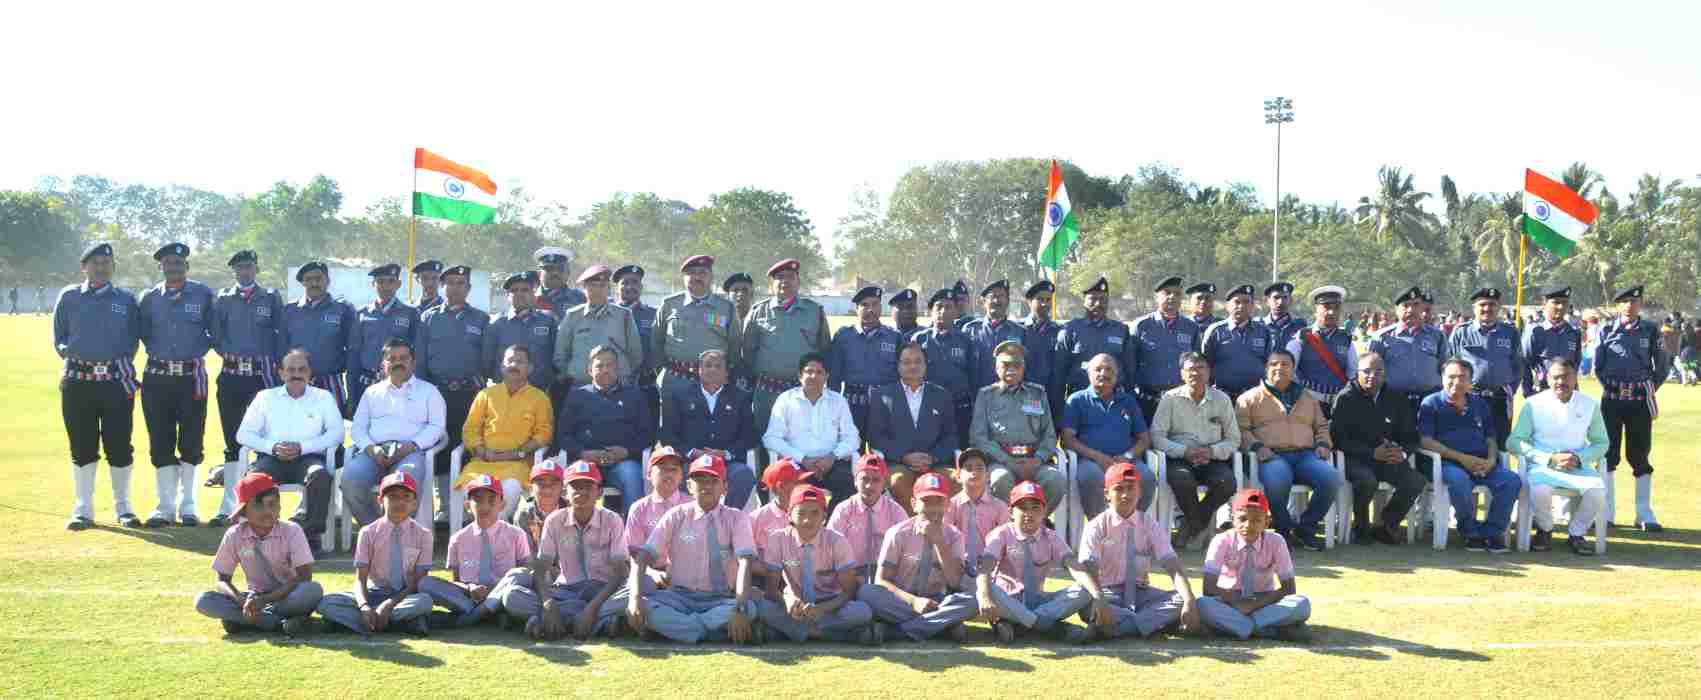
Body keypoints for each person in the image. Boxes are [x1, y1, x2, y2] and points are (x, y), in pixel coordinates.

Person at [628, 454, 760, 645]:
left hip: (721, 598)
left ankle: (678, 630)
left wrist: (739, 608)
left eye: (713, 481)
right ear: (689, 486)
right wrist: (635, 599)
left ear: (725, 487)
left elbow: (745, 562)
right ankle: (715, 633)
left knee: (749, 608)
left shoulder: (737, 518)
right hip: (678, 597)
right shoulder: (676, 515)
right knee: (645, 606)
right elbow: (643, 557)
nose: (707, 486)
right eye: (700, 480)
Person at [55, 242, 143, 530]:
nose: (101, 268)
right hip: (78, 382)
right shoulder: (69, 297)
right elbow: (59, 338)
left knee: (119, 445)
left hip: (115, 383)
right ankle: (83, 509)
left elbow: (133, 339)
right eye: (95, 263)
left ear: (113, 266)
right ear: (84, 267)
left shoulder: (126, 300)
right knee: (82, 445)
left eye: (106, 263)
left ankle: (124, 507)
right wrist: (77, 354)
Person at [1073, 463, 1201, 640]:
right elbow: (1089, 567)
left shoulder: (1150, 524)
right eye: (1119, 489)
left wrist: (1189, 600)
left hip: (1142, 594)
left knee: (1183, 600)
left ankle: (1117, 629)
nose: (1126, 495)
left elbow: (1173, 566)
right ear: (1107, 494)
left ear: (1139, 492)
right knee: (1085, 604)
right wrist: (1099, 599)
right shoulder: (1096, 526)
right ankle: (1151, 625)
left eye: (1131, 488)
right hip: (1107, 593)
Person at [138, 242, 216, 528]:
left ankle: (189, 504)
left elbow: (214, 331)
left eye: (179, 263)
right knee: (160, 438)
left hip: (191, 376)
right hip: (157, 376)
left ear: (187, 266)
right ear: (161, 266)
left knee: (192, 439)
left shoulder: (203, 294)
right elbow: (142, 333)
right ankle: (165, 505)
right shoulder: (148, 298)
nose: (173, 267)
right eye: (168, 263)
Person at [234, 348, 343, 552]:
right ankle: (259, 534)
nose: (296, 374)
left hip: (308, 458)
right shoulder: (265, 397)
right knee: (254, 481)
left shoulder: (323, 397)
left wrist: (302, 447)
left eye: (302, 369)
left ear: (309, 372)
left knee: (320, 476)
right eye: (291, 369)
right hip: (271, 458)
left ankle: (310, 538)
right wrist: (273, 447)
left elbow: (336, 433)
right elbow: (244, 434)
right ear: (281, 373)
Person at [507, 461, 628, 640]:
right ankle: (602, 622)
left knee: (641, 587)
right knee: (512, 596)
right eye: (575, 486)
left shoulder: (613, 520)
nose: (582, 492)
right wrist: (548, 604)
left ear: (599, 492)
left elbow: (620, 573)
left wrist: (591, 609)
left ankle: (553, 620)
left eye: (588, 486)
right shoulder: (555, 520)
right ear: (565, 492)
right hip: (565, 590)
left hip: (603, 590)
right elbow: (540, 568)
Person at [193, 472, 323, 637]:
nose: (267, 511)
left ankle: (247, 621)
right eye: (258, 506)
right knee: (203, 600)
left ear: (280, 507)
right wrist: (242, 601)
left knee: (312, 590)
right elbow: (222, 581)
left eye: (272, 504)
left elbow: (304, 577)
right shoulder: (234, 535)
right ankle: (278, 623)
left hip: (288, 596)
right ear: (244, 511)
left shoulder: (292, 531)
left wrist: (265, 600)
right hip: (253, 597)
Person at [1235, 350, 1338, 552]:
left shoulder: (1307, 398)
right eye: (1274, 364)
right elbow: (1240, 430)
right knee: (1278, 478)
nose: (1279, 368)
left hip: (1306, 455)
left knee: (1331, 478)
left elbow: (1322, 427)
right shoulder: (1249, 398)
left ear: (1293, 369)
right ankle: (1283, 529)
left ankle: (1306, 529)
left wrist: (1323, 444)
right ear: (1266, 368)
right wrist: (1257, 447)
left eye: (1285, 364)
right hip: (1271, 456)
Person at [857, 472, 976, 643]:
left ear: (947, 505)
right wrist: (914, 602)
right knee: (866, 592)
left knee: (973, 600)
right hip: (902, 600)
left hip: (937, 601)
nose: (933, 507)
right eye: (926, 501)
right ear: (914, 504)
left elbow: (954, 581)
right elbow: (882, 580)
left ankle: (896, 631)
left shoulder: (954, 536)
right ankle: (942, 626)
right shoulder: (898, 533)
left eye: (939, 501)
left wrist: (939, 541)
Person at [340, 339, 447, 529]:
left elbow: (437, 426)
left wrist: (412, 445)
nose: (398, 362)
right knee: (350, 480)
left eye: (403, 358)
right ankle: (377, 530)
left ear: (413, 362)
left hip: (410, 452)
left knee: (405, 481)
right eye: (392, 358)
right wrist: (371, 448)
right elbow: (358, 428)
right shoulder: (371, 393)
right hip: (374, 452)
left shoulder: (429, 392)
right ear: (383, 364)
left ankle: (401, 534)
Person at [1507, 358, 1608, 555]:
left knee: (1597, 492)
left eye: (1566, 377)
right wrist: (1548, 458)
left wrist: (1579, 458)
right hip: (1543, 467)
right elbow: (1514, 441)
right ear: (1547, 379)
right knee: (1539, 491)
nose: (1561, 382)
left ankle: (1577, 533)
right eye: (1556, 377)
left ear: (1575, 377)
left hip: (1578, 466)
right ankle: (1545, 529)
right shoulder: (1533, 404)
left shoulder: (1589, 404)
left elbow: (1601, 442)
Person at [1419, 358, 1522, 553]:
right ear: (1442, 378)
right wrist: (1462, 459)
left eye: (1462, 378)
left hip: (1482, 463)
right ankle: (1470, 531)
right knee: (1459, 481)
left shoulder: (1480, 404)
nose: (1456, 382)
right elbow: (1426, 441)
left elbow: (1491, 438)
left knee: (1511, 481)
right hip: (1449, 464)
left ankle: (1492, 532)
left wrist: (1490, 460)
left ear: (1470, 381)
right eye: (1451, 377)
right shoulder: (1431, 403)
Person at [757, 484, 879, 644]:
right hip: (795, 605)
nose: (807, 520)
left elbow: (849, 591)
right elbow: (771, 589)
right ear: (789, 515)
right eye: (801, 513)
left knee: (862, 611)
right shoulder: (777, 539)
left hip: (830, 605)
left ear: (824, 517)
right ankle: (837, 635)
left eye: (815, 513)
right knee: (763, 607)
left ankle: (793, 632)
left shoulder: (837, 541)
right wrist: (788, 602)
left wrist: (823, 608)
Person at [317, 471, 435, 636]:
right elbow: (360, 579)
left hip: (405, 595)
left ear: (414, 503)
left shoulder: (424, 535)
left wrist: (389, 604)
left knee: (424, 601)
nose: (400, 502)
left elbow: (418, 582)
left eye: (406, 497)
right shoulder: (368, 532)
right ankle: (397, 622)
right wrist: (364, 606)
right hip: (373, 594)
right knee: (326, 602)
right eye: (393, 496)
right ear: (380, 500)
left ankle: (365, 622)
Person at [417, 265, 491, 523]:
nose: (455, 287)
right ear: (442, 286)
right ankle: (446, 507)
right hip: (437, 393)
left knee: (469, 448)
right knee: (440, 449)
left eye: (461, 283)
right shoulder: (428, 318)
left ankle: (469, 506)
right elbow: (421, 360)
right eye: (450, 282)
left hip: (470, 395)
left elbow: (487, 359)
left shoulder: (481, 319)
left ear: (468, 288)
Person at [974, 481, 1092, 644]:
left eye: (1035, 508)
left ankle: (1019, 624)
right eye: (1022, 508)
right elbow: (985, 566)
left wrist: (1098, 595)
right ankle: (1049, 627)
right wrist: (984, 596)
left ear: (1044, 511)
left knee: (1086, 588)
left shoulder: (1051, 536)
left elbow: (1073, 565)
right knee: (984, 586)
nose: (1029, 513)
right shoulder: (1000, 534)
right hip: (1008, 600)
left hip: (1039, 601)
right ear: (1011, 512)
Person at [1330, 351, 1426, 546]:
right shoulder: (1345, 398)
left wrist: (1402, 452)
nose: (1372, 376)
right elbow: (1338, 440)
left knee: (1415, 481)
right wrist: (1371, 452)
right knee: (1367, 480)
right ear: (1357, 373)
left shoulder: (1396, 398)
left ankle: (1386, 524)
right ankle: (1361, 527)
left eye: (1378, 372)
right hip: (1355, 458)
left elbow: (1410, 436)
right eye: (1366, 371)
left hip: (1388, 458)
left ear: (1385, 374)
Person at [209, 250, 284, 497]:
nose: (244, 271)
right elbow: (216, 335)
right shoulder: (223, 299)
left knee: (264, 436)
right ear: (234, 271)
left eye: (249, 266)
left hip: (262, 377)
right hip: (231, 375)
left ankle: (262, 495)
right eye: (239, 267)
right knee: (232, 438)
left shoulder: (270, 298)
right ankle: (231, 500)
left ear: (256, 269)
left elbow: (280, 334)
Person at [1593, 285, 1668, 531]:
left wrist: (1648, 387)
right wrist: (1613, 387)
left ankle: (1644, 513)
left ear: (1640, 304)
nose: (1629, 305)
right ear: (1618, 305)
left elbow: (1662, 364)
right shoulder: (1605, 330)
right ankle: (1606, 512)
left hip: (1639, 401)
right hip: (1612, 400)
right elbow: (1598, 366)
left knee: (1640, 454)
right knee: (1607, 454)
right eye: (1624, 301)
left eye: (1634, 301)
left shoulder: (1650, 330)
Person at [1196, 489, 1312, 641]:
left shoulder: (1276, 541)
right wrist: (1236, 602)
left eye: (1257, 520)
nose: (1249, 525)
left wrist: (1254, 605)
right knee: (1202, 604)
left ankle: (1238, 627)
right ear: (1233, 519)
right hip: (1229, 600)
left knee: (1302, 604)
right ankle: (1270, 630)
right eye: (1242, 518)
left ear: (1267, 522)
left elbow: (1289, 588)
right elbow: (1208, 588)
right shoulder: (1221, 540)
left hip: (1264, 600)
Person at [1152, 353, 1240, 551]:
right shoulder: (1170, 398)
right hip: (1180, 457)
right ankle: (1197, 525)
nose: (1195, 373)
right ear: (1182, 374)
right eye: (1190, 369)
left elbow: (1234, 439)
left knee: (1227, 483)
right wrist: (1184, 451)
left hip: (1212, 458)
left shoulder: (1222, 399)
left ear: (1209, 372)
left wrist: (1212, 451)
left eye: (1201, 368)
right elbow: (1157, 436)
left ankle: (1190, 525)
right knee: (1182, 479)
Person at [420, 474, 532, 627]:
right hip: (470, 597)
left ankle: (474, 616)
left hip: (501, 594)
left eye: (491, 500)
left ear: (502, 504)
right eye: (478, 500)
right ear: (467, 505)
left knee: (520, 574)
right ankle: (492, 615)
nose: (484, 506)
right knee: (425, 583)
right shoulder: (458, 539)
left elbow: (524, 574)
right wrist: (470, 588)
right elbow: (456, 580)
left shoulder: (516, 534)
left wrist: (497, 589)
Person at [457, 344, 554, 520]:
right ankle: (485, 532)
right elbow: (470, 429)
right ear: (502, 366)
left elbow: (544, 434)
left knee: (508, 490)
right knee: (471, 490)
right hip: (483, 462)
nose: (514, 365)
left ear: (530, 368)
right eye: (510, 361)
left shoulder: (539, 398)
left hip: (518, 464)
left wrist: (518, 452)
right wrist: (482, 451)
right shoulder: (486, 395)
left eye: (520, 361)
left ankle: (495, 533)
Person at [555, 345, 651, 515]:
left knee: (631, 476)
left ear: (617, 368)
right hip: (586, 462)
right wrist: (582, 453)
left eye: (610, 365)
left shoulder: (634, 395)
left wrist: (627, 452)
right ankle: (574, 527)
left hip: (622, 462)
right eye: (599, 366)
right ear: (589, 370)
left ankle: (633, 529)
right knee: (578, 481)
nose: (605, 370)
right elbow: (563, 435)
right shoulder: (577, 396)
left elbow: (647, 434)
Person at [973, 341, 1066, 516]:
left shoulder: (1037, 393)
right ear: (996, 368)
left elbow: (1049, 434)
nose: (1011, 369)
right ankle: (1008, 523)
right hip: (1001, 461)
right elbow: (978, 437)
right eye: (1005, 365)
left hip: (1034, 460)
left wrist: (1038, 459)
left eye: (1017, 365)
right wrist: (1007, 461)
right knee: (1000, 480)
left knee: (1056, 481)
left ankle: (1038, 521)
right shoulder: (986, 396)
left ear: (1023, 368)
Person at [741, 259, 831, 439]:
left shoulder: (814, 311)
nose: (785, 281)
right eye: (780, 277)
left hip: (803, 390)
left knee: (801, 439)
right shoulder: (758, 312)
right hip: (768, 391)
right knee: (765, 438)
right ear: (771, 284)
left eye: (790, 277)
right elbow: (747, 351)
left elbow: (824, 349)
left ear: (798, 282)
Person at [657, 348, 758, 509]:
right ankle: (687, 518)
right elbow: (668, 435)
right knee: (675, 475)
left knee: (743, 475)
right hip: (691, 461)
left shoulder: (740, 397)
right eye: (708, 365)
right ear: (699, 370)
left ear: (726, 373)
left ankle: (726, 517)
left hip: (726, 462)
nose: (712, 370)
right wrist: (692, 452)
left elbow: (749, 436)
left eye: (718, 366)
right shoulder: (680, 396)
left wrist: (725, 454)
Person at [865, 342, 959, 511]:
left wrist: (932, 457)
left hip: (935, 463)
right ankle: (914, 524)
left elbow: (950, 436)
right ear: (898, 366)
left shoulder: (941, 395)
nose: (913, 366)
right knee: (898, 480)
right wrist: (904, 457)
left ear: (925, 365)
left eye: (918, 361)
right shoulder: (882, 396)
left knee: (956, 479)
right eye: (907, 362)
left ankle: (942, 524)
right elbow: (877, 437)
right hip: (899, 463)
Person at [1060, 353, 1156, 518]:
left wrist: (1127, 456)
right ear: (1089, 373)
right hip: (1090, 461)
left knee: (1146, 477)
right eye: (1098, 369)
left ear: (1117, 375)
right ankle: (1100, 526)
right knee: (1090, 477)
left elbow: (1144, 439)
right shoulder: (1076, 400)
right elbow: (1067, 439)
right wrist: (1098, 457)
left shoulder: (1128, 401)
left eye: (1109, 370)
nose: (1103, 373)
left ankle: (1132, 523)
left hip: (1125, 460)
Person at [762, 352, 860, 504]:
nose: (814, 376)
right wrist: (802, 459)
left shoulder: (838, 401)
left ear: (826, 376)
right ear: (800, 376)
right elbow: (771, 438)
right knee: (788, 486)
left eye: (819, 372)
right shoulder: (786, 400)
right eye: (809, 371)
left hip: (831, 463)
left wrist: (832, 457)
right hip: (796, 463)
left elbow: (853, 438)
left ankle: (831, 519)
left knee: (847, 483)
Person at [652, 255, 741, 405]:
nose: (697, 277)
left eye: (702, 273)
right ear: (684, 278)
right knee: (671, 419)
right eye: (691, 273)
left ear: (711, 277)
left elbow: (734, 344)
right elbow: (656, 340)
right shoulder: (669, 304)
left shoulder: (726, 307)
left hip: (712, 380)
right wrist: (662, 370)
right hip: (675, 378)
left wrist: (724, 373)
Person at [1445, 288, 1523, 449]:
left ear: (1498, 307)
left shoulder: (1510, 333)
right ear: (1474, 307)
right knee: (1469, 442)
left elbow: (1517, 365)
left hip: (1500, 399)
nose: (1487, 308)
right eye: (1482, 305)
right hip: (1470, 397)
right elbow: (1450, 365)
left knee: (1501, 443)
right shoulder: (1461, 332)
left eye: (1492, 304)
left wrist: (1510, 389)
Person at [278, 261, 354, 423]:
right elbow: (281, 349)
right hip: (297, 381)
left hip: (330, 381)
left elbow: (353, 350)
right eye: (309, 279)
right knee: (298, 426)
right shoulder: (290, 310)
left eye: (319, 278)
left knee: (332, 428)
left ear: (328, 281)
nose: (314, 283)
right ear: (303, 283)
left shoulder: (343, 310)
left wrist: (352, 392)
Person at [552, 264, 644, 392]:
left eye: (602, 286)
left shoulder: (624, 315)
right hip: (580, 387)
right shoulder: (573, 316)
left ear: (608, 289)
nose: (597, 290)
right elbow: (560, 355)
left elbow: (635, 355)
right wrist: (574, 374)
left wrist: (619, 374)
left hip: (617, 388)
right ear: (584, 288)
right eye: (592, 286)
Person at [346, 263, 421, 417]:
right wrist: (352, 396)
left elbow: (416, 355)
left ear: (398, 284)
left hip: (398, 385)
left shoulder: (410, 314)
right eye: (380, 281)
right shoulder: (362, 314)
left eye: (391, 281)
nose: (386, 286)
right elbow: (353, 355)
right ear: (373, 284)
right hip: (366, 384)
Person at [829, 286, 903, 441]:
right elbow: (834, 377)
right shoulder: (843, 337)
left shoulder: (894, 337)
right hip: (852, 406)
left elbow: (901, 376)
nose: (870, 310)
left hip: (885, 407)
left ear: (881, 307)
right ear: (857, 309)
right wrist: (833, 408)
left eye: (875, 304)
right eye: (864, 305)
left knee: (883, 451)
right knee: (851, 450)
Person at [1054, 277, 1133, 419]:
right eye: (1093, 299)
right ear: (1084, 301)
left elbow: (1129, 370)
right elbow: (1059, 372)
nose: (1098, 303)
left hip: (1113, 402)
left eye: (1103, 299)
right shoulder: (1070, 330)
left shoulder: (1121, 330)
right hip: (1079, 401)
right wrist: (1059, 409)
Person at [825, 454, 909, 585]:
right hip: (850, 574)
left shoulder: (895, 511)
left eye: (876, 480)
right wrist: (850, 577)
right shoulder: (844, 510)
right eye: (864, 479)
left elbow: (907, 548)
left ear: (885, 483)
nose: (869, 486)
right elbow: (830, 548)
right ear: (855, 481)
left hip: (886, 575)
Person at [911, 288, 978, 447]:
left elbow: (973, 376)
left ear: (956, 312)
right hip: (927, 407)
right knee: (928, 450)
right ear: (931, 311)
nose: (943, 311)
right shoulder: (919, 339)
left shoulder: (966, 340)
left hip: (959, 408)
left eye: (949, 307)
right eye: (939, 307)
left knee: (960, 450)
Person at [621, 448, 692, 592]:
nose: (669, 474)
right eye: (663, 469)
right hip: (650, 572)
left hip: (687, 574)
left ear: (681, 476)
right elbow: (633, 555)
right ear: (648, 474)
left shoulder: (693, 506)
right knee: (640, 589)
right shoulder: (639, 508)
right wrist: (652, 574)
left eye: (674, 470)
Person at [1369, 286, 1445, 420]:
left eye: (1416, 304)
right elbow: (1372, 371)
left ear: (1422, 307)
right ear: (1396, 309)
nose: (1411, 310)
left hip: (1429, 401)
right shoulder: (1382, 337)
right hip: (1394, 402)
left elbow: (1444, 368)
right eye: (1406, 305)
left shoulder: (1437, 336)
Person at [1286, 285, 1357, 416]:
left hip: (1338, 405)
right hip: (1307, 404)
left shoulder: (1347, 339)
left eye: (1336, 307)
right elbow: (1288, 371)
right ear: (1316, 309)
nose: (1331, 312)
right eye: (1326, 307)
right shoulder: (1302, 337)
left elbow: (1352, 375)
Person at [483, 271, 558, 390]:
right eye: (514, 290)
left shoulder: (548, 321)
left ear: (533, 294)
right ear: (508, 296)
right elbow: (487, 360)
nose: (519, 294)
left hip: (539, 390)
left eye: (525, 290)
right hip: (505, 391)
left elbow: (556, 356)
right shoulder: (496, 323)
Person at [947, 449, 1009, 586]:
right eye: (968, 468)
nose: (974, 472)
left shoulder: (1000, 507)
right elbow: (946, 540)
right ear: (958, 476)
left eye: (980, 468)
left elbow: (1006, 544)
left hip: (991, 573)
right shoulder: (950, 506)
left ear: (988, 475)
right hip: (959, 571)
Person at [1200, 284, 1273, 399]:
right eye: (1237, 302)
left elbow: (1269, 363)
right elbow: (1205, 363)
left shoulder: (1263, 331)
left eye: (1246, 302)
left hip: (1255, 396)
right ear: (1227, 306)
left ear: (1253, 305)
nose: (1241, 306)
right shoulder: (1215, 331)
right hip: (1222, 395)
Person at [614, 263, 661, 435]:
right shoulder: (608, 313)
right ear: (617, 288)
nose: (630, 287)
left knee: (647, 431)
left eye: (635, 282)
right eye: (625, 283)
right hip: (613, 385)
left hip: (645, 384)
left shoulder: (654, 314)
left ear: (641, 287)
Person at [963, 280, 1029, 393]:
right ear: (983, 302)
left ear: (1007, 301)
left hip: (1009, 396)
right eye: (992, 297)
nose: (996, 301)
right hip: (976, 396)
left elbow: (1025, 367)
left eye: (1001, 296)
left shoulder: (1020, 332)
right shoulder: (970, 330)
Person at [1521, 286, 1583, 397]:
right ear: (1544, 303)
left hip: (1568, 392)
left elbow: (1576, 363)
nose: (1561, 307)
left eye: (1564, 303)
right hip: (1542, 391)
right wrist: (1528, 391)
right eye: (1556, 302)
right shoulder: (1535, 331)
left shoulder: (1574, 332)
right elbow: (1524, 362)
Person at [751, 458, 810, 568]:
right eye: (799, 482)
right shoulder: (755, 519)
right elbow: (746, 560)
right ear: (781, 487)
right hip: (767, 576)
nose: (806, 485)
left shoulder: (812, 512)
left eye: (804, 481)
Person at [1018, 280, 1063, 416]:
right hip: (1022, 396)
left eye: (1048, 300)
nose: (1045, 304)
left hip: (1051, 398)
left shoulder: (1060, 331)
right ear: (1029, 302)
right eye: (1040, 299)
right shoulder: (1018, 329)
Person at [511, 460, 568, 552]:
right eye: (541, 484)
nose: (547, 489)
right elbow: (525, 554)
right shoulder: (524, 515)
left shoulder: (571, 513)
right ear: (531, 488)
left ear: (562, 488)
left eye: (554, 484)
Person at [722, 271, 757, 393]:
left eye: (745, 290)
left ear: (752, 294)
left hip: (754, 375)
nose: (740, 294)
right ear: (727, 295)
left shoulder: (760, 319)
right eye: (735, 290)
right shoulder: (719, 319)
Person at [531, 246, 586, 315]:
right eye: (549, 269)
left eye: (560, 269)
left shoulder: (580, 298)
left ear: (568, 273)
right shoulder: (528, 299)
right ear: (539, 274)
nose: (555, 273)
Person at [1259, 282, 1309, 351]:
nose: (1280, 302)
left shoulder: (1301, 326)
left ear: (1290, 300)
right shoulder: (1258, 326)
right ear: (1267, 301)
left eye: (1285, 297)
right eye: (1276, 297)